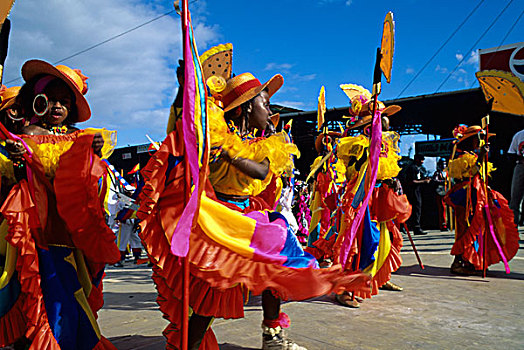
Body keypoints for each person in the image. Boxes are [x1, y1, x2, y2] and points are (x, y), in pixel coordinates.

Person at [137, 57, 370, 350]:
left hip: (249, 216)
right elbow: (184, 127)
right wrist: (185, 88)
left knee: (275, 267)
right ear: (248, 107)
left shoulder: (258, 144)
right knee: (213, 293)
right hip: (218, 220)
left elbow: (260, 171)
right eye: (265, 104)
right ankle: (188, 346)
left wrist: (228, 155)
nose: (270, 111)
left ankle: (272, 336)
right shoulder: (215, 137)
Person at [0, 60, 119, 349]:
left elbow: (97, 182)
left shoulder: (82, 138)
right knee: (41, 296)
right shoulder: (27, 135)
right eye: (50, 99)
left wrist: (93, 157)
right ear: (35, 100)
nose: (57, 106)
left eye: (64, 102)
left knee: (74, 295)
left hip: (73, 234)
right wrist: (18, 159)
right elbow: (21, 179)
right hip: (38, 231)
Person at [445, 125, 519, 275]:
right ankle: (459, 262)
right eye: (478, 138)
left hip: (477, 194)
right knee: (466, 227)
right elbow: (469, 173)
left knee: (480, 228)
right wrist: (480, 157)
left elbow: (481, 175)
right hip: (465, 196)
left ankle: (472, 261)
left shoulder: (474, 155)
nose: (480, 142)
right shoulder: (461, 157)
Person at [404, 153, 430, 235]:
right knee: (415, 208)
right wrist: (424, 181)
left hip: (418, 190)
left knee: (418, 208)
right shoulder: (412, 168)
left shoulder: (419, 168)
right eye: (421, 160)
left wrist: (424, 179)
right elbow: (411, 181)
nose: (422, 162)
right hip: (413, 191)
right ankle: (414, 227)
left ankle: (416, 226)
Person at [507, 128, 524, 226]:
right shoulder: (519, 135)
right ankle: (513, 227)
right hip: (521, 166)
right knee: (516, 197)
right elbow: (511, 153)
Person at [432, 158, 448, 231]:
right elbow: (435, 180)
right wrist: (442, 181)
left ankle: (448, 223)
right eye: (442, 164)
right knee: (442, 208)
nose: (443, 165)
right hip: (440, 192)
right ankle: (443, 225)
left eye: (444, 163)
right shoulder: (437, 173)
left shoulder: (447, 172)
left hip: (447, 192)